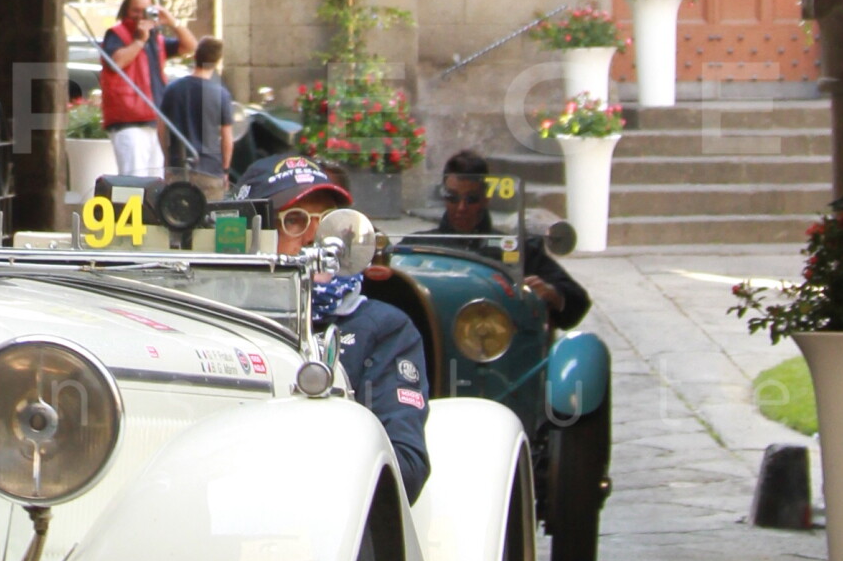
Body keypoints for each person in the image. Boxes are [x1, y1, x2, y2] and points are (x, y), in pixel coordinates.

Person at [242, 149, 432, 500]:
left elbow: (405, 467)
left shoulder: (384, 327)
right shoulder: (214, 316)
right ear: (251, 234)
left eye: (330, 221)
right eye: (295, 220)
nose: (318, 238)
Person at [439, 148, 590, 329]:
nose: (461, 207)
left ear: (486, 198)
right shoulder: (419, 246)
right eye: (452, 197)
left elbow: (578, 300)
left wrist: (553, 294)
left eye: (471, 199)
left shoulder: (515, 249)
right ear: (443, 197)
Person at [98, 0, 188, 180]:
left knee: (155, 180)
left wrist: (173, 22)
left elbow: (190, 47)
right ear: (126, 11)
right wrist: (139, 41)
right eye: (135, 10)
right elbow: (116, 63)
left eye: (145, 11)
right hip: (128, 119)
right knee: (134, 179)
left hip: (155, 119)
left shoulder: (157, 39)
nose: (140, 16)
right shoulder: (116, 34)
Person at [160, 35, 234, 178]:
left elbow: (161, 129)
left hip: (179, 166)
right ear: (217, 62)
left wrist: (167, 159)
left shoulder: (173, 89)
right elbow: (227, 137)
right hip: (210, 170)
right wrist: (225, 170)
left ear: (195, 56)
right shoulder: (221, 94)